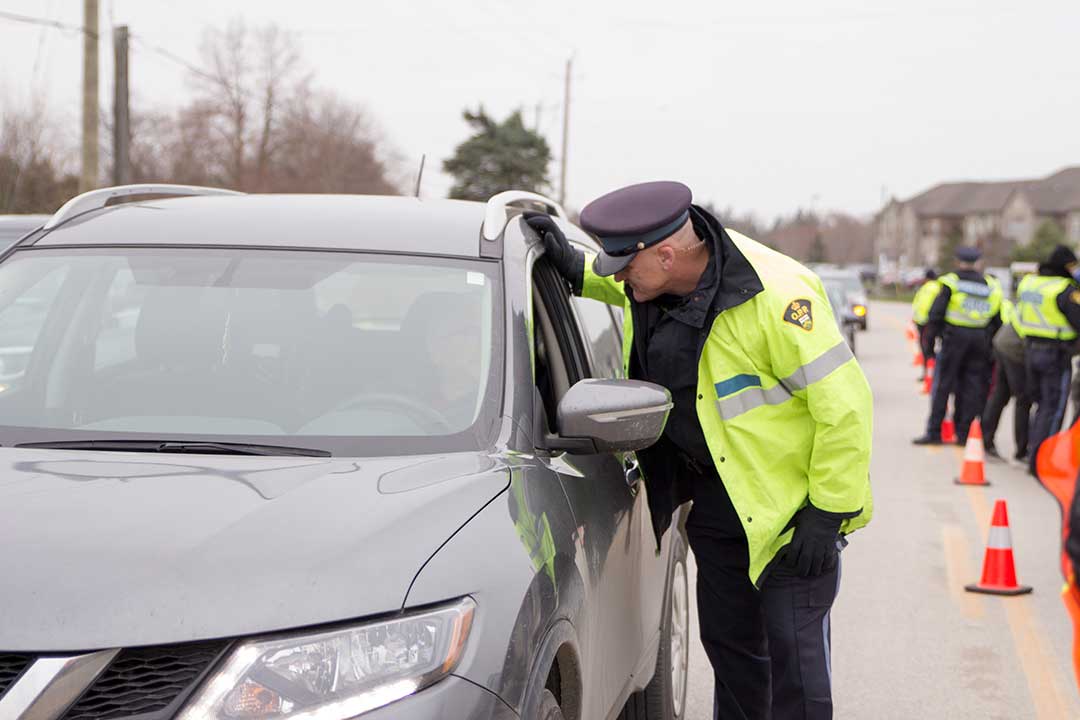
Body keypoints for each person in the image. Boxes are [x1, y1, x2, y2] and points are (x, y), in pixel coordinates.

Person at [526, 181, 873, 720]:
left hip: (793, 518)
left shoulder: (778, 297)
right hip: (715, 506)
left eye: (626, 267)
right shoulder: (659, 279)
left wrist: (828, 514)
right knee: (734, 657)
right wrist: (575, 268)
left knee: (797, 669)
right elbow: (620, 283)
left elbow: (846, 408)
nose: (620, 278)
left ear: (666, 256)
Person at [912, 246, 1001, 446]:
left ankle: (934, 432)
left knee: (943, 385)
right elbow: (997, 319)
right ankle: (963, 434)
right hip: (979, 341)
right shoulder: (990, 286)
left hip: (954, 340)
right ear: (978, 263)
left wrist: (929, 344)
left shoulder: (951, 283)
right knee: (971, 388)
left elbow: (936, 315)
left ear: (958, 261)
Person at [1012, 245, 1080, 473]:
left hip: (1031, 349)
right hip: (1055, 354)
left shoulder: (1030, 283)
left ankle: (1033, 454)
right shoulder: (1064, 289)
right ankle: (1041, 462)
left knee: (1041, 406)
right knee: (1053, 408)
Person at [981, 298, 1031, 462]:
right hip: (1015, 348)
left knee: (1000, 394)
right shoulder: (1061, 294)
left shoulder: (1038, 289)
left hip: (1004, 340)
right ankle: (1022, 450)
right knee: (1023, 398)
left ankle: (985, 439)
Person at [911, 269, 941, 381]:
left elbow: (919, 304)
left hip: (925, 322)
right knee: (929, 348)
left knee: (926, 349)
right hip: (930, 322)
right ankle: (931, 374)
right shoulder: (937, 287)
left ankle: (928, 374)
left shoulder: (927, 288)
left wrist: (916, 318)